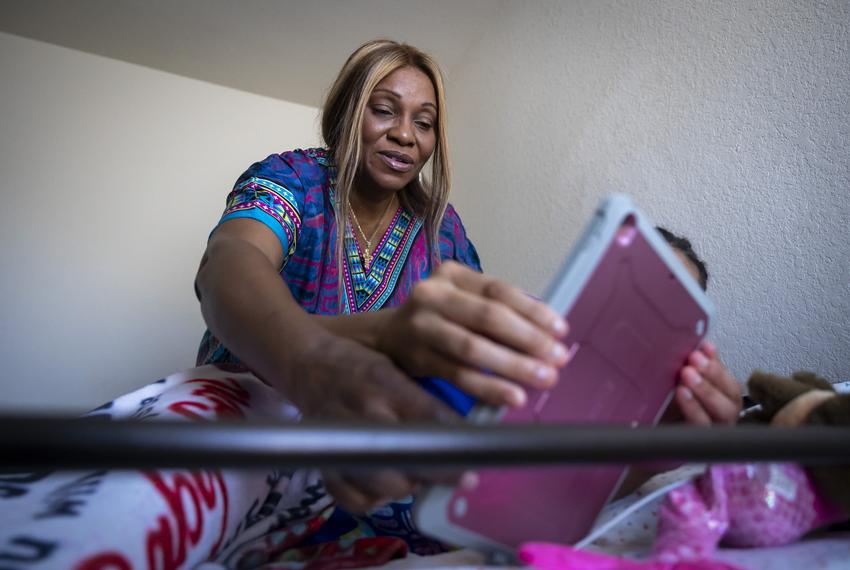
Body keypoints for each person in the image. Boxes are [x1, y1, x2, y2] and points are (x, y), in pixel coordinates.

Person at [0, 40, 742, 568]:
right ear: (348, 112)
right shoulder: (290, 181)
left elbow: (467, 396)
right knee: (144, 507)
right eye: (384, 109)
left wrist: (640, 456)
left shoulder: (443, 231)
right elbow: (226, 267)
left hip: (377, 456)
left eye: (423, 121)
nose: (405, 134)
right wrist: (316, 363)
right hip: (252, 409)